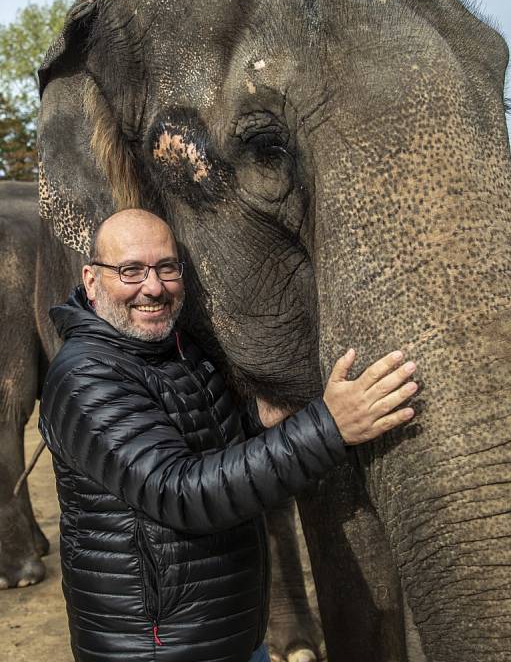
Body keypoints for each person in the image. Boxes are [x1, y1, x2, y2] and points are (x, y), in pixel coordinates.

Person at [39, 209, 417, 662]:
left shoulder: (174, 349)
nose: (153, 287)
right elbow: (180, 492)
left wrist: (272, 414)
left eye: (166, 267)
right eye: (131, 270)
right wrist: (328, 427)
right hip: (158, 648)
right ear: (92, 279)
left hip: (228, 635)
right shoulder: (86, 376)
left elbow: (215, 440)